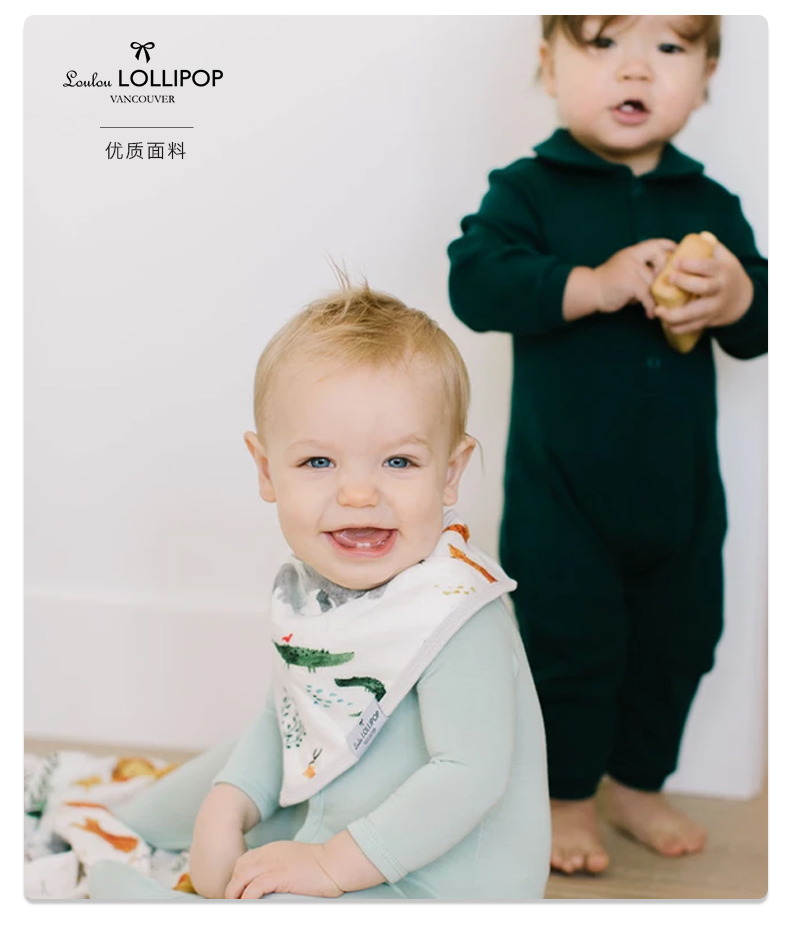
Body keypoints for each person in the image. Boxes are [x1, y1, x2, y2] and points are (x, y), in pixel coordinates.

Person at [88, 281, 551, 901]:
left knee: (278, 897)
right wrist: (228, 806)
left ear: (450, 473)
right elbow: (290, 715)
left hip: (441, 882)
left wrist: (331, 864)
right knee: (224, 778)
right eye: (318, 463)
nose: (358, 494)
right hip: (345, 812)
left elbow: (469, 775)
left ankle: (129, 893)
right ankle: (119, 824)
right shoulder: (316, 590)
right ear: (266, 470)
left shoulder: (457, 611)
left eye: (398, 462)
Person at [447, 15, 767, 876]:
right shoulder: (529, 190)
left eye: (669, 48)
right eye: (603, 44)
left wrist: (736, 296)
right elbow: (475, 282)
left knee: (682, 641)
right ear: (548, 66)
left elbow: (760, 325)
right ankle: (566, 798)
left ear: (705, 76)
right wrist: (592, 283)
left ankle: (637, 783)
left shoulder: (710, 206)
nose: (636, 69)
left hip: (682, 498)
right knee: (569, 647)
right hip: (563, 497)